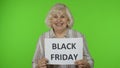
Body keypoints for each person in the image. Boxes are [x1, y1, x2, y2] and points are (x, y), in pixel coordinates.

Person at [32, 3, 94, 68]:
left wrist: (87, 65)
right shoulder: (43, 38)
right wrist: (38, 66)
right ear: (50, 20)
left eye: (62, 16)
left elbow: (90, 61)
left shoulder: (78, 36)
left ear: (68, 20)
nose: (59, 20)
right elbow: (34, 63)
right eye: (55, 17)